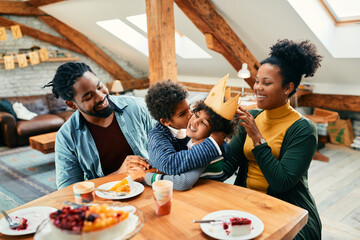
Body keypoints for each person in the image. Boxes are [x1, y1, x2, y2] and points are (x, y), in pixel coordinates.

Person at [223, 39, 322, 239]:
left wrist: (258, 139)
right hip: (247, 203)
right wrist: (210, 136)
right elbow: (226, 167)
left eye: (266, 83)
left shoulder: (303, 129)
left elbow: (281, 183)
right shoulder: (254, 118)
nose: (258, 87)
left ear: (288, 88)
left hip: (290, 212)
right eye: (257, 81)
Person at [44, 62, 155, 189]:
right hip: (105, 202)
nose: (101, 97)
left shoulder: (138, 108)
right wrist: (119, 175)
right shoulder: (66, 137)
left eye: (99, 87)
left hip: (149, 187)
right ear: (72, 105)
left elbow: (167, 147)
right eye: (89, 97)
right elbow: (68, 190)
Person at [127, 78, 238, 190]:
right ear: (165, 121)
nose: (190, 115)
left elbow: (183, 181)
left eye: (189, 108)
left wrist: (215, 142)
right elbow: (169, 164)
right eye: (182, 114)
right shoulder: (158, 136)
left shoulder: (200, 142)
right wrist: (212, 144)